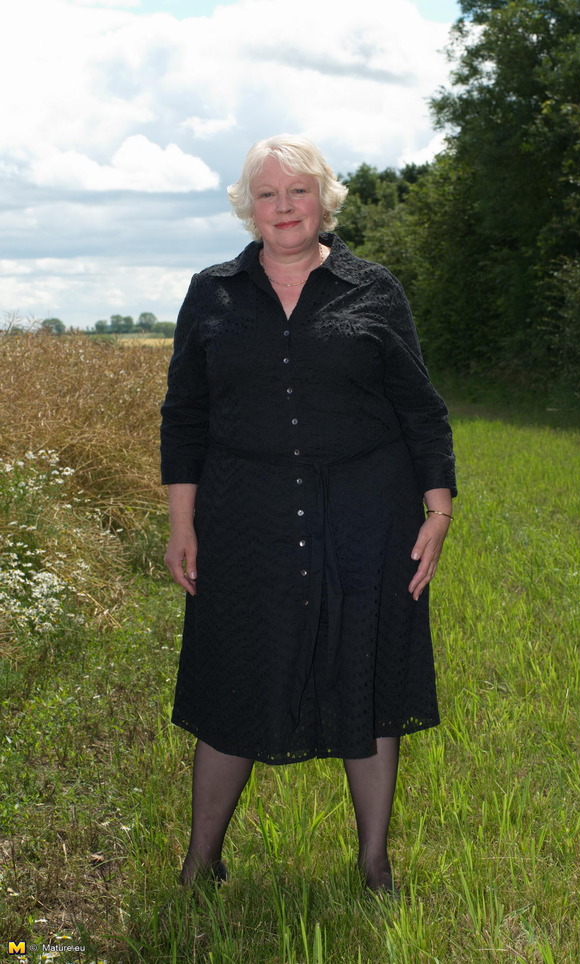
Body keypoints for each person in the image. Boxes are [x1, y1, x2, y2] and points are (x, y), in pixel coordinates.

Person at [160, 134, 456, 894]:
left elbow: (419, 407)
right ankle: (200, 862)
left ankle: (374, 865)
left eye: (299, 191)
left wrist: (438, 507)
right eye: (268, 194)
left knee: (366, 677)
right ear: (248, 206)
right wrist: (182, 523)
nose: (284, 206)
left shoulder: (373, 289)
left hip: (366, 516)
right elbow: (184, 415)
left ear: (324, 199)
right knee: (235, 677)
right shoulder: (213, 292)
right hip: (243, 517)